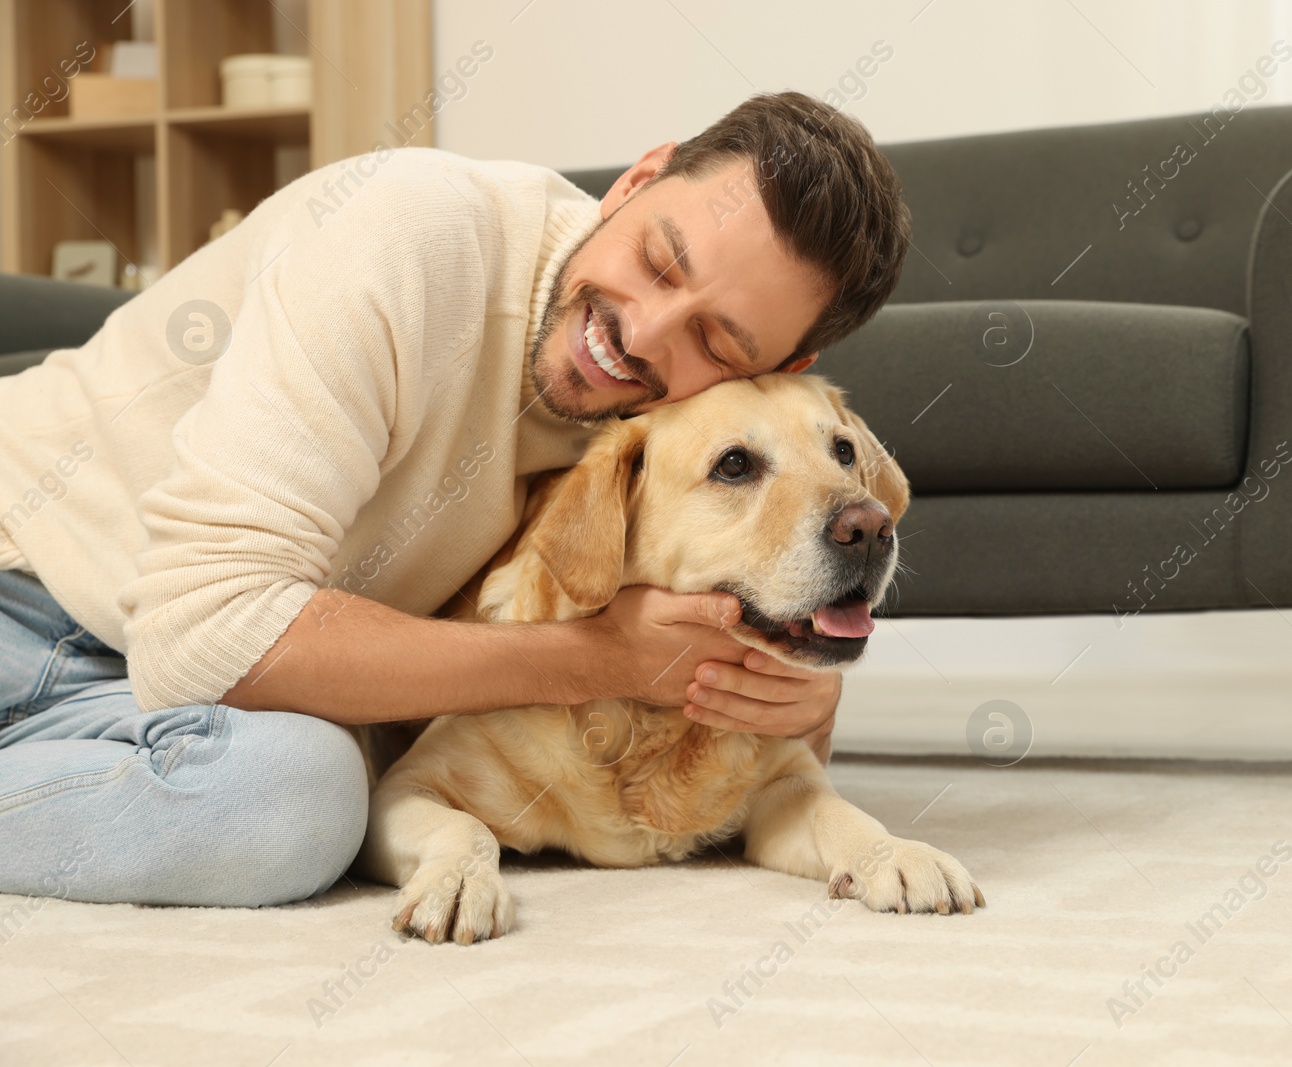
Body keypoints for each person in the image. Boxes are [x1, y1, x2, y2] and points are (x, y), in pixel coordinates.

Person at [0, 91, 911, 908]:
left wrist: (795, 690)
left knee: (311, 793)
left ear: (774, 370)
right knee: (294, 805)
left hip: (187, 682)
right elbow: (198, 639)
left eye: (714, 338)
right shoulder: (404, 239)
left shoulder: (665, 433)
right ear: (635, 182)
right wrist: (601, 659)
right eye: (659, 262)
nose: (638, 331)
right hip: (34, 591)